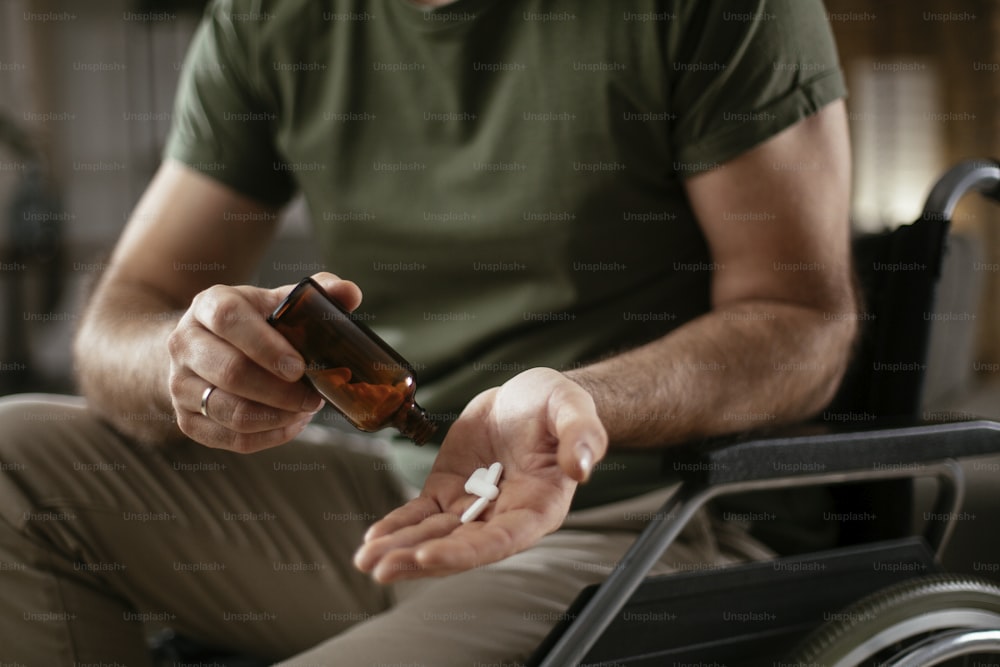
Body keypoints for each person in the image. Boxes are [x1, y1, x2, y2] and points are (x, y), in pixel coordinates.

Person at [0, 0, 857, 664]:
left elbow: (805, 322)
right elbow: (123, 314)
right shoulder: (272, 19)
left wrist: (584, 399)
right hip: (406, 496)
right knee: (14, 458)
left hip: (656, 519)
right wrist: (183, 363)